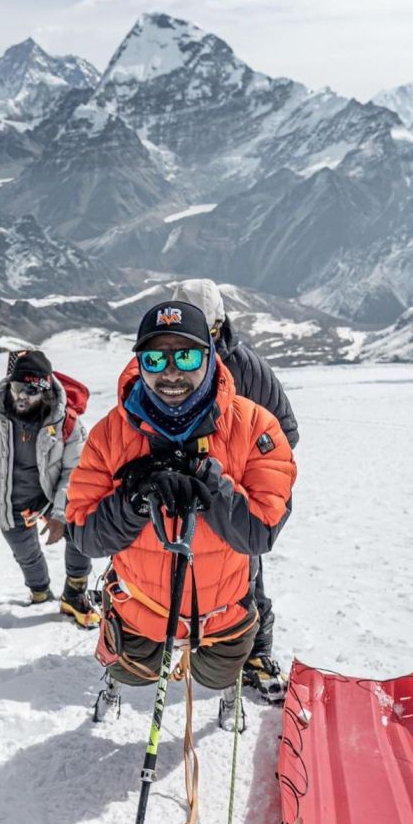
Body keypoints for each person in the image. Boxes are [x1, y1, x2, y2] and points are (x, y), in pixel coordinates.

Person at [66, 302, 296, 728]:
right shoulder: (110, 436)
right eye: (154, 359)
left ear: (211, 356)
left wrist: (208, 481)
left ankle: (229, 692)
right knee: (129, 671)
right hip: (138, 609)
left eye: (186, 356)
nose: (170, 373)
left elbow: (260, 531)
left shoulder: (254, 428)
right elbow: (83, 532)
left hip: (223, 611)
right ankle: (116, 686)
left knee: (218, 671)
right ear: (140, 363)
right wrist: (134, 498)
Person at [172, 279, 299, 702]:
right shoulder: (163, 363)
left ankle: (256, 652)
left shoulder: (248, 370)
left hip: (235, 497)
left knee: (248, 573)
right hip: (180, 492)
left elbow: (284, 431)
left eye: (202, 334)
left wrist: (248, 477)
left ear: (218, 326)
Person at [0, 350, 99, 627]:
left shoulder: (67, 422)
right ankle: (40, 592)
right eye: (16, 388)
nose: (21, 396)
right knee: (26, 553)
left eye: (31, 390)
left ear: (46, 390)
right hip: (9, 500)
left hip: (50, 497)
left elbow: (75, 472)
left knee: (80, 528)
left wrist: (60, 514)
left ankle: (74, 592)